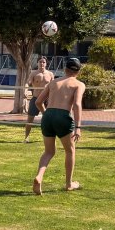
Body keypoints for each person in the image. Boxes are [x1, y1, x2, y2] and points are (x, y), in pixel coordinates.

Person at [32, 56, 85, 194]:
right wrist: (78, 127)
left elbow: (38, 102)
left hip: (48, 115)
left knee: (49, 151)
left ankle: (39, 177)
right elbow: (77, 105)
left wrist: (46, 114)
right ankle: (68, 184)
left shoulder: (53, 82)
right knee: (70, 150)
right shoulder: (78, 84)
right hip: (63, 116)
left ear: (64, 69)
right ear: (78, 71)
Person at [23, 56, 55, 142]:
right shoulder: (33, 73)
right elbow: (27, 83)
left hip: (47, 99)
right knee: (30, 119)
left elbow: (53, 87)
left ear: (46, 63)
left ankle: (49, 138)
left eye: (43, 62)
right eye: (40, 62)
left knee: (49, 119)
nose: (42, 64)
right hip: (36, 99)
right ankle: (26, 137)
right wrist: (25, 90)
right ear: (37, 63)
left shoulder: (50, 74)